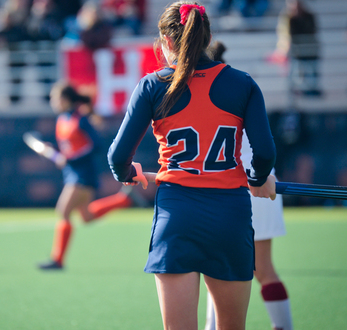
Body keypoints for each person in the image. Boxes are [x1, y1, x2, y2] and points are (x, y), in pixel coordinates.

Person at [107, 2, 277, 329]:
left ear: (166, 43)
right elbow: (265, 152)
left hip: (177, 216)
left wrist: (128, 175)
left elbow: (117, 158)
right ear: (208, 37)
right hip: (230, 216)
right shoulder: (243, 84)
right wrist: (257, 178)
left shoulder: (152, 85)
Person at [38, 81, 140, 270]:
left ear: (66, 99)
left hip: (83, 173)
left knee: (63, 211)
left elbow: (95, 146)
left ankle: (57, 260)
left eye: (55, 98)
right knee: (86, 216)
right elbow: (69, 148)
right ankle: (123, 200)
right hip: (71, 173)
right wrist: (52, 151)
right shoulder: (62, 119)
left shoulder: (81, 119)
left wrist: (69, 159)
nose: (53, 101)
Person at [205, 133, 293, 330]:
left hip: (225, 188)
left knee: (218, 270)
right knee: (264, 269)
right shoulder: (250, 100)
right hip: (263, 183)